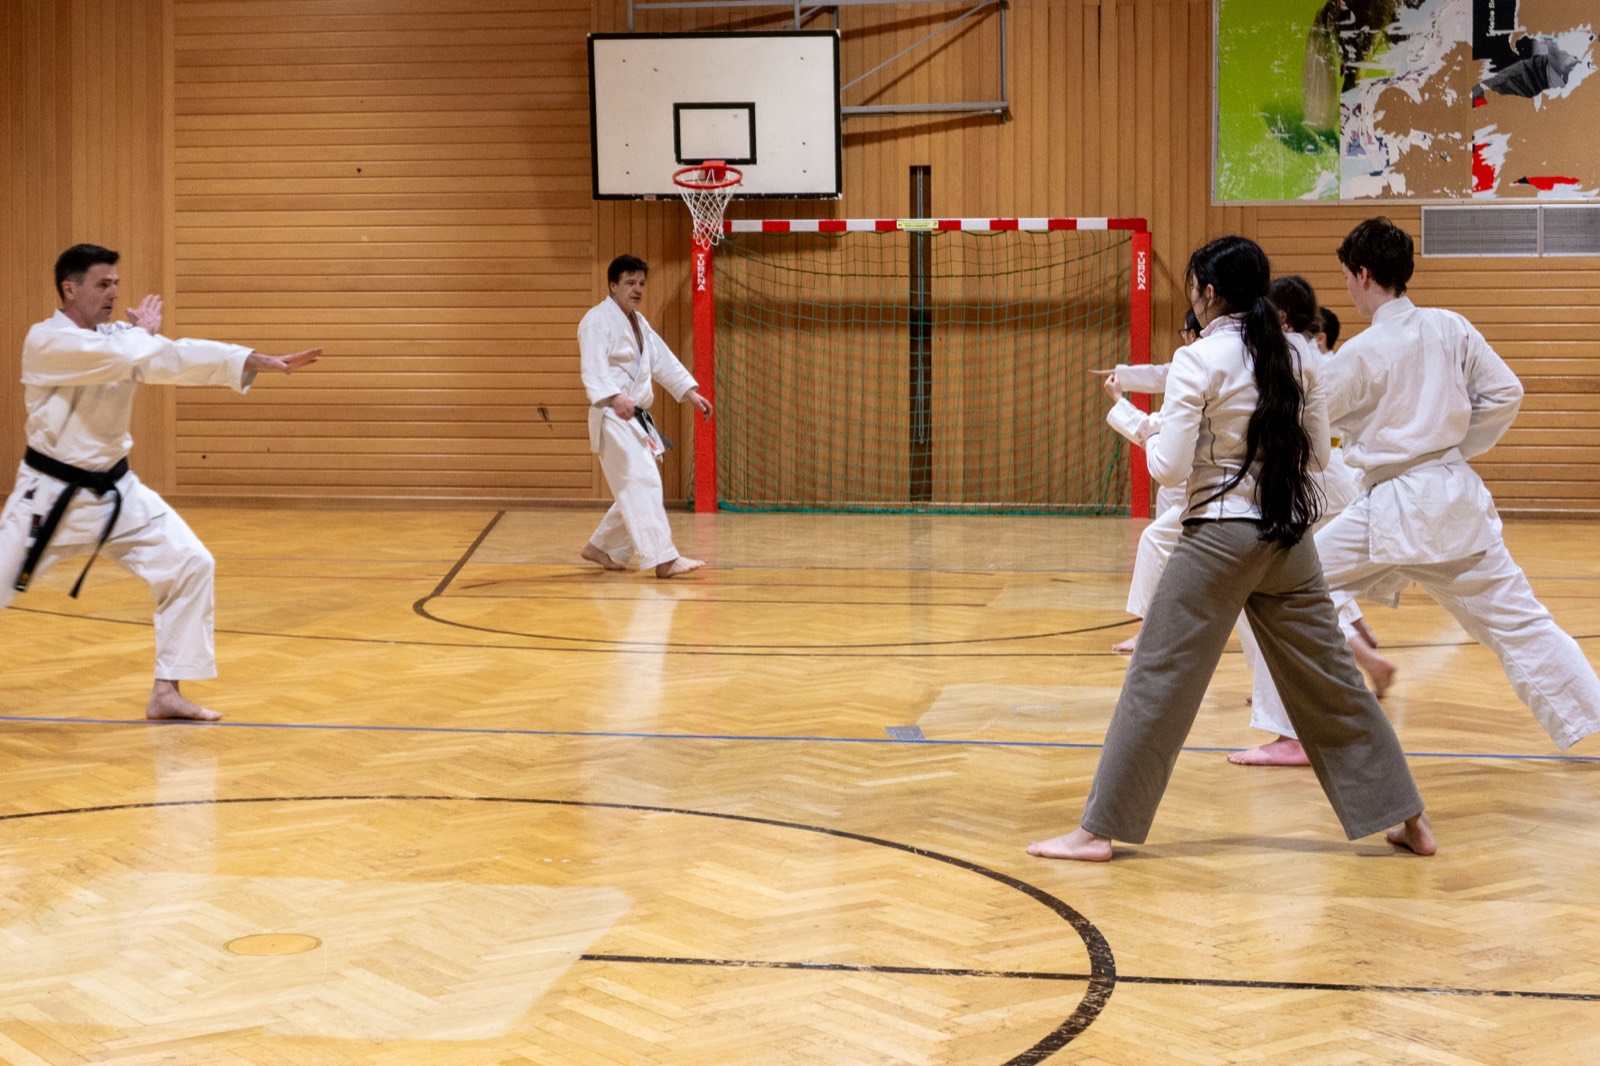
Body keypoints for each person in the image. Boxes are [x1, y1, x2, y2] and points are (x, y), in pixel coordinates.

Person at [1028, 235, 1433, 863]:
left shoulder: (1200, 358)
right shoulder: (1296, 356)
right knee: (1334, 684)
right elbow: (1317, 458)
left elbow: (1167, 468)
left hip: (1218, 539)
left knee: (1156, 680)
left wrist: (1143, 426)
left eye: (1193, 286)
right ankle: (1409, 818)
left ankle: (1096, 832)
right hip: (1289, 540)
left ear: (1210, 293)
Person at [1313, 218, 1600, 751]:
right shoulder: (1451, 327)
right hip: (1452, 500)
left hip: (1394, 508)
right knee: (1522, 623)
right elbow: (1507, 393)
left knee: (1293, 584)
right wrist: (1450, 447)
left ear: (1363, 273)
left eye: (1348, 277)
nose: (1347, 288)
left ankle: (1302, 724)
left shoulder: (1359, 353)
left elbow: (1310, 422)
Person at [1, 244, 321, 721]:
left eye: (115, 283)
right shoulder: (46, 340)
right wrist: (142, 333)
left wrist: (251, 360)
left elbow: (172, 357)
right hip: (47, 499)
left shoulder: (122, 339)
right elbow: (126, 352)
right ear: (70, 289)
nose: (114, 293)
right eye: (102, 284)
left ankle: (166, 692)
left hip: (116, 492)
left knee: (191, 563)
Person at [579, 254, 714, 578]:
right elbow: (593, 366)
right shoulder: (596, 321)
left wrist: (690, 392)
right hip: (611, 413)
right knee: (643, 479)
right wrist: (614, 396)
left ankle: (602, 546)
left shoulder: (639, 323)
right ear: (613, 285)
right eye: (630, 282)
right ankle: (663, 559)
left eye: (641, 283)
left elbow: (661, 360)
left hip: (632, 416)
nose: (637, 289)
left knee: (636, 482)